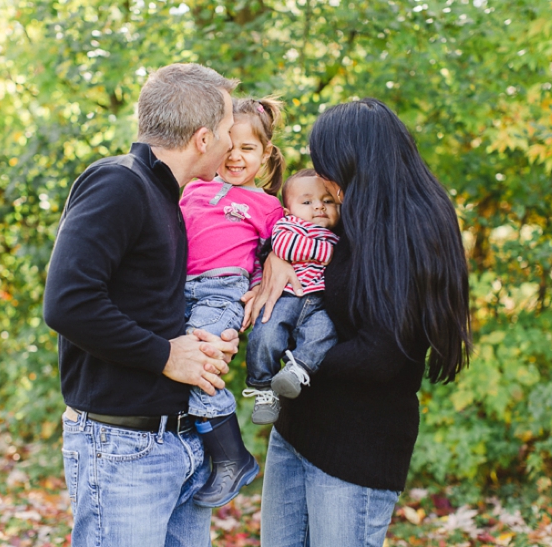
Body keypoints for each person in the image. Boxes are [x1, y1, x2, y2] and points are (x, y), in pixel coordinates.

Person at [247, 98, 472, 547]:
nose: (319, 174)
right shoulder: (346, 210)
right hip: (297, 429)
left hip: (357, 447)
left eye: (324, 162)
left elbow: (380, 355)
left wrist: (295, 360)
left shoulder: (414, 229)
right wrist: (277, 256)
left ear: (354, 159)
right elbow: (303, 246)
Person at [43, 63, 242, 547]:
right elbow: (67, 304)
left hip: (180, 444)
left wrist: (208, 342)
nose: (233, 140)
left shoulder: (169, 198)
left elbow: (152, 308)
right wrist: (168, 355)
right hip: (122, 449)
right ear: (201, 138)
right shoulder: (119, 183)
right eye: (228, 128)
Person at [179, 97, 285, 507]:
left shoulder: (269, 205)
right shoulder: (193, 189)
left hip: (222, 292)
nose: (236, 156)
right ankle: (198, 451)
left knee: (201, 359)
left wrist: (260, 286)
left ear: (265, 154)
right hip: (179, 289)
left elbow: (277, 254)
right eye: (231, 145)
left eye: (249, 148)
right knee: (174, 364)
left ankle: (231, 457)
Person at [242, 169, 340, 425]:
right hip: (286, 297)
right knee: (265, 333)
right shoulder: (289, 226)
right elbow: (287, 247)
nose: (319, 206)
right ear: (288, 210)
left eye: (327, 200)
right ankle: (263, 388)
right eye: (307, 202)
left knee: (325, 332)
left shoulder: (341, 232)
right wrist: (331, 253)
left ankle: (297, 371)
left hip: (320, 302)